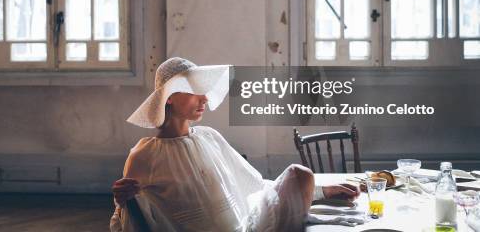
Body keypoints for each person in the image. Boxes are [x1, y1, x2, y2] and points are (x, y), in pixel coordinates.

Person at [110, 57, 359, 232]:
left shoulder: (209, 137)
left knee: (302, 175)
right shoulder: (145, 155)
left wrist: (322, 190)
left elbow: (253, 186)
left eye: (204, 90)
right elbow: (128, 219)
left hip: (247, 226)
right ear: (170, 97)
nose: (205, 98)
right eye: (195, 91)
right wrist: (123, 202)